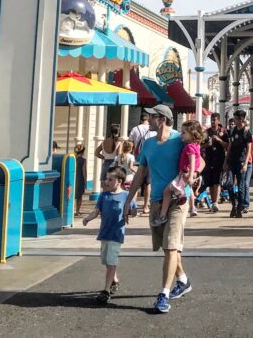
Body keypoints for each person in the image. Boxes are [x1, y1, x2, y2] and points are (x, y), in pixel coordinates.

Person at [124, 105, 191, 314]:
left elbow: (200, 160)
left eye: (152, 116)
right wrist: (128, 200)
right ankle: (183, 280)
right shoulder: (149, 143)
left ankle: (163, 294)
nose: (148, 119)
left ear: (162, 119)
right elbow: (140, 172)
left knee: (171, 247)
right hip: (155, 202)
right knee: (167, 247)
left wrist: (192, 174)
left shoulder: (180, 139)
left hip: (177, 200)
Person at [82, 165, 127, 304]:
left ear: (119, 181)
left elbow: (131, 210)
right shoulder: (104, 195)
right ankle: (115, 280)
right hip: (104, 233)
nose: (106, 182)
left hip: (116, 234)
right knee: (107, 261)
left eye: (110, 179)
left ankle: (106, 290)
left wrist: (132, 212)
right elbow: (97, 211)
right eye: (106, 179)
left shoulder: (126, 195)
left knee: (111, 261)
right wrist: (88, 218)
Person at [158, 120, 204, 225]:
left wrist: (192, 175)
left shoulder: (189, 147)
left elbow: (192, 162)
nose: (181, 135)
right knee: (178, 190)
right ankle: (183, 198)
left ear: (192, 133)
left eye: (184, 133)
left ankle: (162, 215)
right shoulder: (196, 145)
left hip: (183, 174)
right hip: (184, 174)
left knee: (166, 192)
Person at [225, 109, 253, 217]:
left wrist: (246, 163)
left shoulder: (246, 132)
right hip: (232, 161)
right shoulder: (233, 130)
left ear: (241, 119)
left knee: (241, 186)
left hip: (241, 162)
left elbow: (249, 149)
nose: (235, 120)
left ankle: (240, 207)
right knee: (228, 184)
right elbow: (230, 146)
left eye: (236, 118)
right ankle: (234, 204)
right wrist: (226, 161)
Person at [201, 114, 228, 212]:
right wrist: (206, 145)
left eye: (214, 120)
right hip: (208, 160)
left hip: (219, 160)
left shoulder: (223, 132)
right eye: (212, 119)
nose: (213, 121)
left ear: (218, 120)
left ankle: (216, 203)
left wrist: (219, 140)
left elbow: (228, 146)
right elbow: (200, 145)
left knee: (217, 182)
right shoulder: (207, 132)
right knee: (211, 183)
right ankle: (213, 203)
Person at [96, 122, 122, 186]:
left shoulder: (104, 141)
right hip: (114, 164)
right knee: (113, 185)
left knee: (104, 184)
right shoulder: (119, 142)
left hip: (105, 163)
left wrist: (104, 157)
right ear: (118, 132)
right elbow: (119, 154)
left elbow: (96, 153)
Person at [74, 143, 87, 215]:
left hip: (74, 179)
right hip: (80, 179)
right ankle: (77, 211)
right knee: (79, 197)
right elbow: (84, 172)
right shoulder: (83, 160)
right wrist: (85, 182)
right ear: (83, 151)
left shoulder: (73, 159)